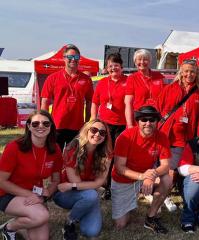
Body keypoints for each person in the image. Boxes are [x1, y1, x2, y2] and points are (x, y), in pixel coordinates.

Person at [156, 59, 199, 212]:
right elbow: (159, 109)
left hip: (188, 138)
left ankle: (170, 193)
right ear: (181, 71)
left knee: (181, 169)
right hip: (170, 137)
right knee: (170, 170)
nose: (189, 74)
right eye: (186, 71)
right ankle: (162, 197)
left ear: (197, 73)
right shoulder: (170, 88)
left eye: (192, 71)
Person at [0, 110, 62, 240]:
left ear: (51, 126)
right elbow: (1, 181)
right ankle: (9, 227)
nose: (41, 126)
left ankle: (23, 223)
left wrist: (47, 192)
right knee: (41, 216)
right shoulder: (14, 147)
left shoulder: (55, 149)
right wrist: (31, 195)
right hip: (7, 194)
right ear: (28, 126)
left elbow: (56, 180)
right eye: (35, 124)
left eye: (46, 123)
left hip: (35, 193)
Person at [111, 105, 171, 233]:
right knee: (121, 224)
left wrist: (151, 176)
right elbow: (119, 168)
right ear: (137, 121)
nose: (148, 123)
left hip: (145, 177)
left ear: (156, 122)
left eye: (152, 120)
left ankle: (151, 218)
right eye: (144, 119)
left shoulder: (162, 137)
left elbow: (166, 166)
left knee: (167, 179)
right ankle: (130, 202)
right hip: (123, 180)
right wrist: (142, 176)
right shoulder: (125, 137)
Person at [53, 119, 113, 240]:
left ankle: (78, 212)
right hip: (63, 194)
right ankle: (69, 223)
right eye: (94, 130)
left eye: (102, 133)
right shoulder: (72, 148)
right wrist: (92, 185)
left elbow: (100, 182)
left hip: (75, 189)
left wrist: (71, 185)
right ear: (86, 130)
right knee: (91, 195)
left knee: (91, 231)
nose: (97, 135)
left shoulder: (107, 153)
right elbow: (78, 181)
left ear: (105, 137)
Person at [41, 44, 94, 151]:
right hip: (56, 125)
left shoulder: (86, 79)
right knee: (54, 156)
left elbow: (90, 102)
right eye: (70, 57)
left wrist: (87, 123)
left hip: (77, 126)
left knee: (73, 159)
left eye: (76, 57)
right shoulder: (53, 78)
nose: (73, 60)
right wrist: (45, 123)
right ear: (64, 58)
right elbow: (45, 102)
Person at [91, 53, 128, 200]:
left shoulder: (128, 81)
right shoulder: (101, 83)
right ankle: (105, 185)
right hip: (105, 125)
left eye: (116, 65)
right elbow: (94, 103)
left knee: (118, 156)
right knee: (105, 155)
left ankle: (115, 186)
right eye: (110, 66)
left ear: (122, 67)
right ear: (107, 68)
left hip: (122, 125)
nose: (113, 68)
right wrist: (93, 121)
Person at [124, 49, 165, 128]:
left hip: (156, 119)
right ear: (135, 62)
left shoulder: (159, 76)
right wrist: (129, 125)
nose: (142, 62)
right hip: (139, 120)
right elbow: (128, 103)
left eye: (145, 59)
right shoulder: (132, 78)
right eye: (139, 59)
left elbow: (166, 98)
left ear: (149, 61)